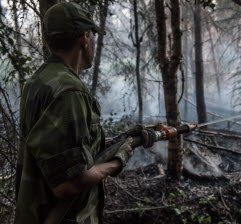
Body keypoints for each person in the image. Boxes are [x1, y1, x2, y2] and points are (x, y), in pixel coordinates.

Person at [14, 2, 153, 223]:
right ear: (84, 39)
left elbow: (70, 149)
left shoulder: (39, 81)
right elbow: (67, 184)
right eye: (92, 36)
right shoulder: (70, 92)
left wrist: (123, 140)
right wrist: (118, 160)